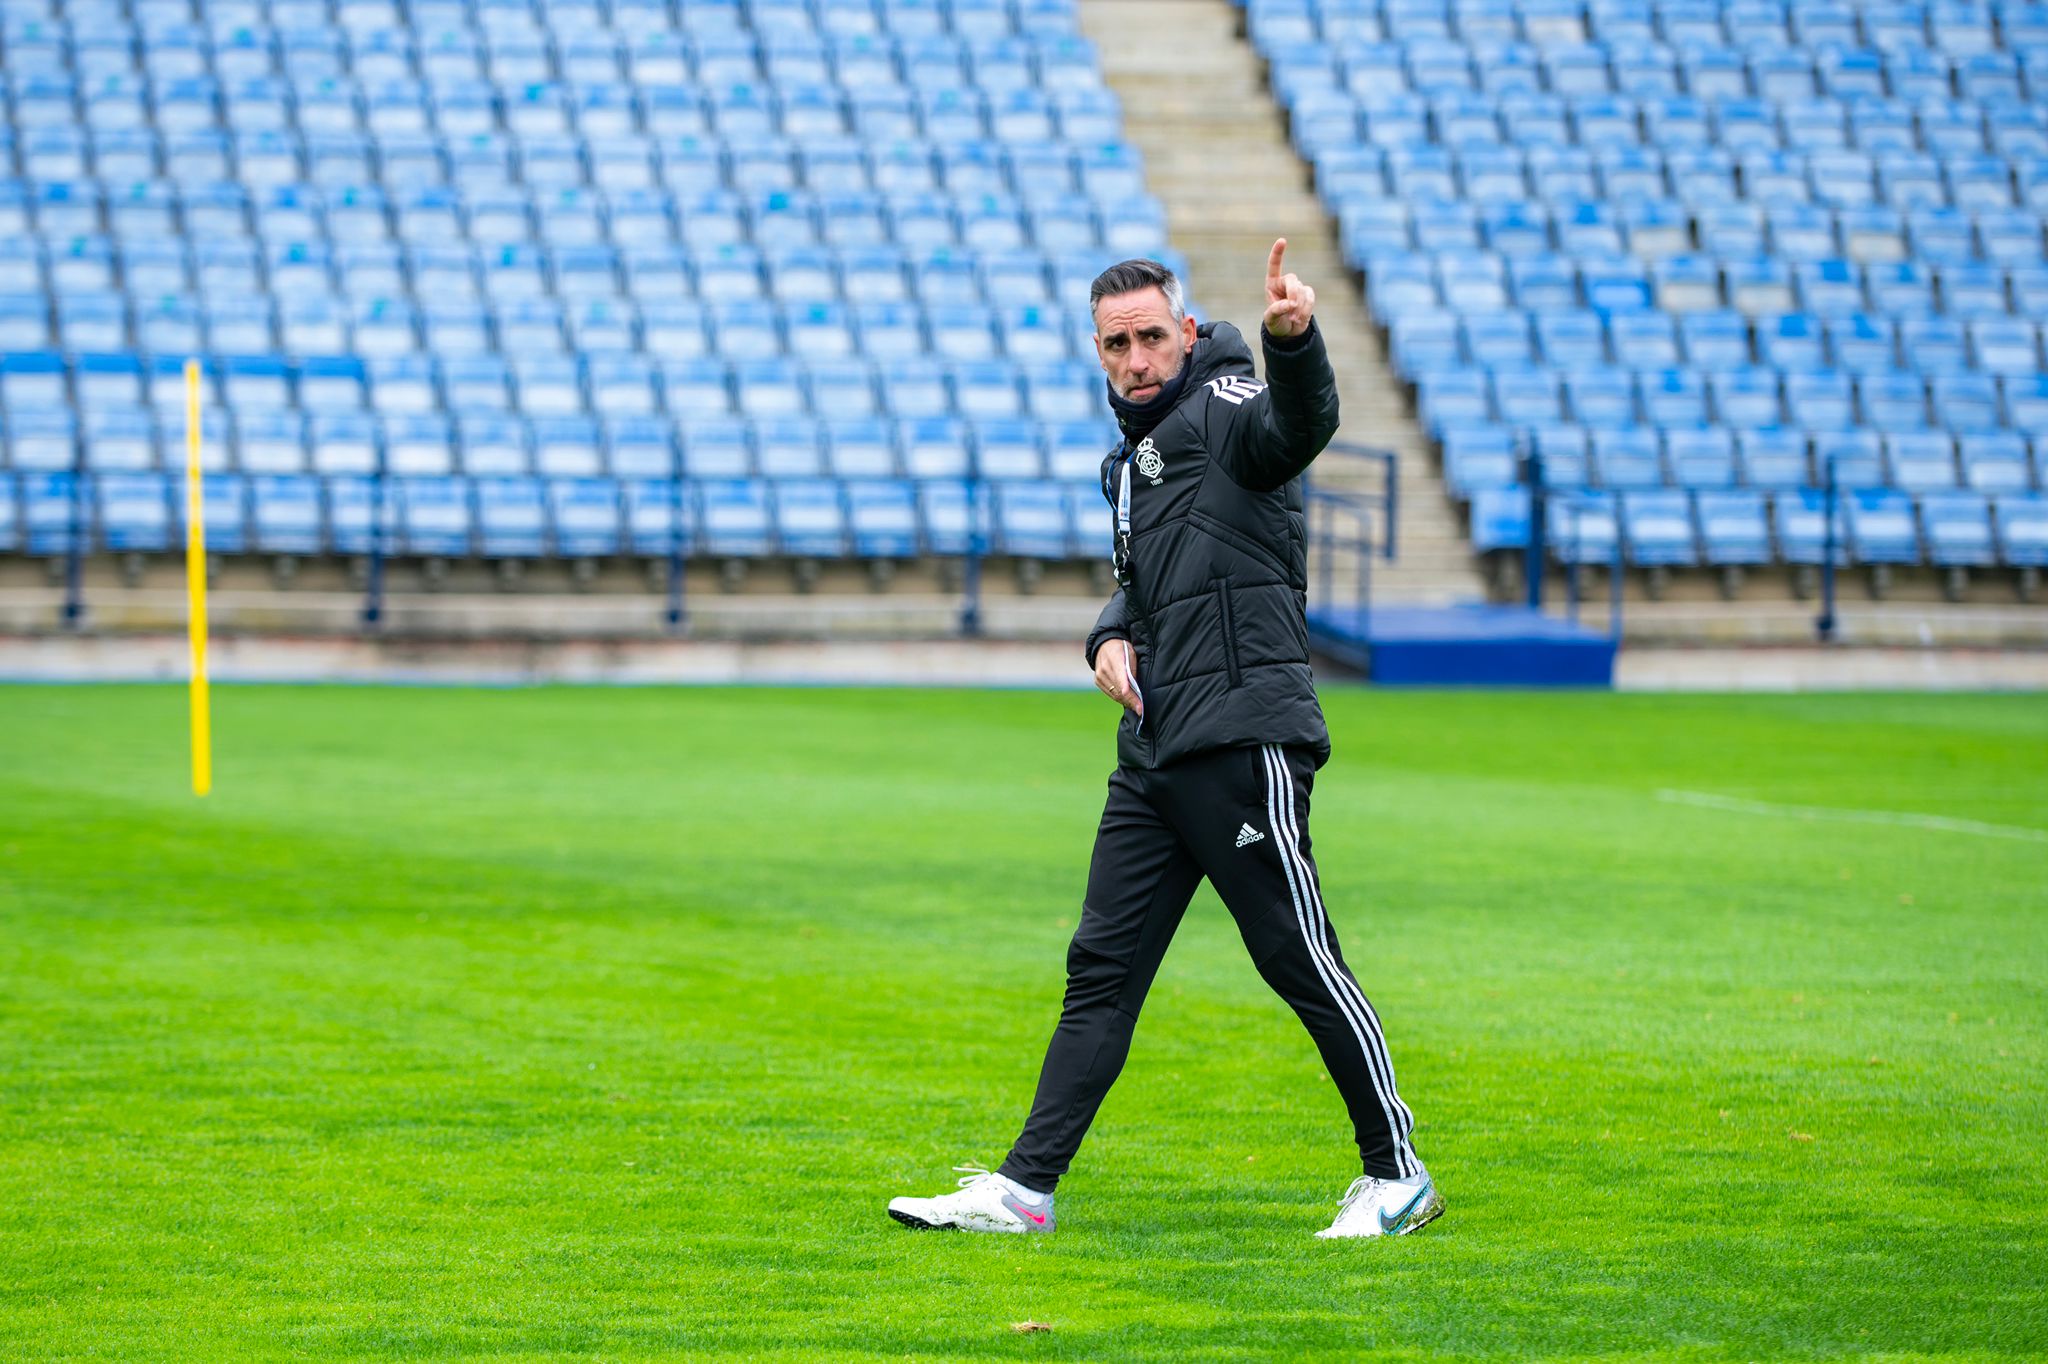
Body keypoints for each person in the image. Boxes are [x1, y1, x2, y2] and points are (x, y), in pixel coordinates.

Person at [887, 243, 1440, 1240]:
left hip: (1238, 739)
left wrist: (1295, 341)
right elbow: (1150, 586)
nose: (1137, 357)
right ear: (1096, 353)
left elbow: (1298, 422)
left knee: (1294, 954)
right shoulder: (1130, 463)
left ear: (1184, 334)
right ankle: (1024, 1186)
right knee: (1098, 965)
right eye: (1116, 344)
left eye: (1151, 336)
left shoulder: (1230, 406)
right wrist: (1104, 634)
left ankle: (1396, 1172)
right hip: (1153, 751)